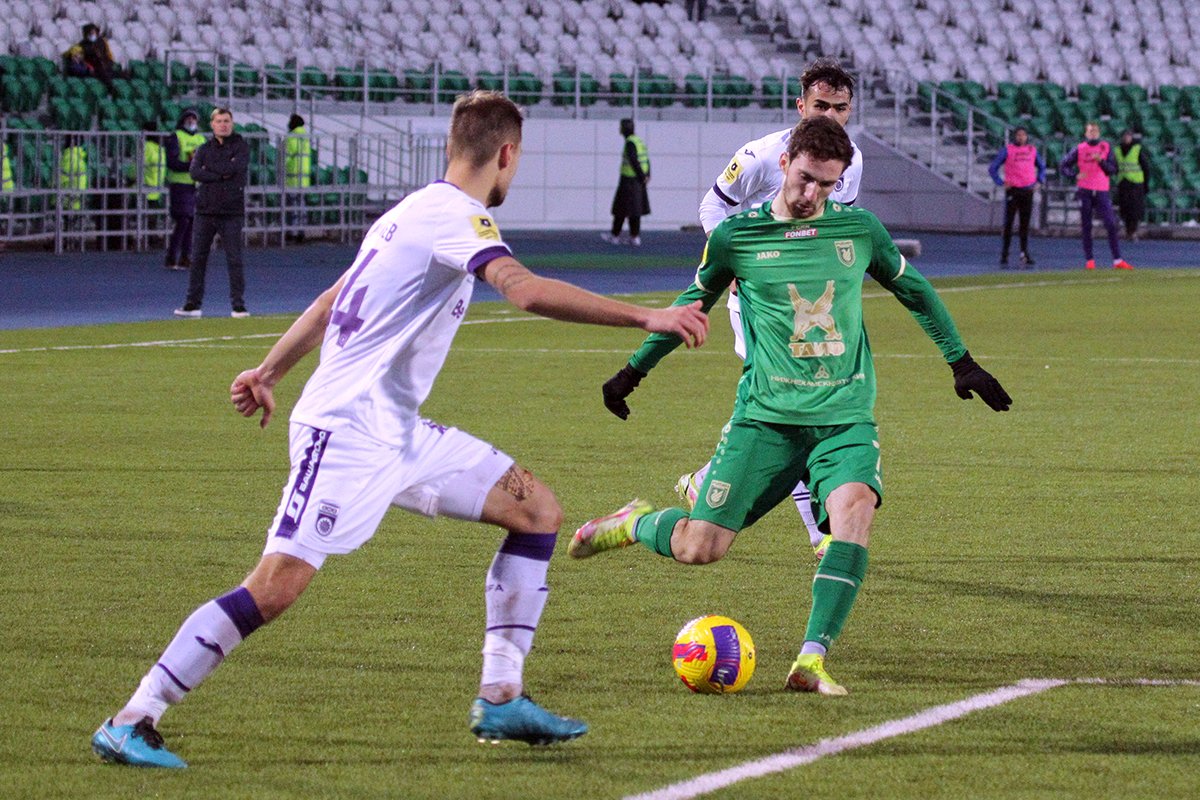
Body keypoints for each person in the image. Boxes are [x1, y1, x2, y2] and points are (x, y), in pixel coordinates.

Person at [92, 90, 707, 768]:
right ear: (506, 154)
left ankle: (501, 696)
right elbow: (524, 289)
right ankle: (133, 716)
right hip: (346, 430)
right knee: (276, 585)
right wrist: (647, 316)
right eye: (517, 158)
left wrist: (269, 371)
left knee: (536, 510)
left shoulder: (408, 211)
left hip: (399, 433)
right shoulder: (459, 218)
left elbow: (331, 300)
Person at [574, 116, 1010, 697]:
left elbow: (915, 290)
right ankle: (634, 522)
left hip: (844, 417)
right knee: (700, 548)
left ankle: (811, 660)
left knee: (855, 511)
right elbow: (691, 304)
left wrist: (961, 360)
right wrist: (634, 370)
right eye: (805, 178)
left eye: (827, 184)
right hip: (766, 419)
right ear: (784, 163)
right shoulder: (736, 238)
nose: (813, 195)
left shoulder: (858, 229)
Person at [678, 57, 863, 564]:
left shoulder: (851, 160)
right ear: (801, 105)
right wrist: (735, 261)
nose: (830, 115)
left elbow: (835, 226)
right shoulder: (761, 155)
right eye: (820, 105)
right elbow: (712, 205)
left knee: (796, 406)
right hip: (757, 301)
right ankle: (821, 534)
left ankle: (705, 481)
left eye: (840, 107)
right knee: (794, 404)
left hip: (812, 305)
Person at [174, 108, 251, 317]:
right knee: (198, 258)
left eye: (226, 121)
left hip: (231, 211)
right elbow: (194, 172)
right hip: (205, 211)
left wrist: (210, 170)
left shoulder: (241, 147)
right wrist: (221, 173)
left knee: (234, 259)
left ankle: (238, 305)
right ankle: (192, 304)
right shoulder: (204, 148)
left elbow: (235, 169)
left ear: (232, 124)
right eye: (219, 121)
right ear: (212, 124)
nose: (223, 125)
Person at [1059, 122, 1132, 271]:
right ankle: (1090, 260)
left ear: (1099, 133)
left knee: (1111, 224)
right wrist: (1074, 174)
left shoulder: (1105, 147)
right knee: (1086, 226)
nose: (1093, 133)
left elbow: (1113, 169)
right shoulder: (1079, 149)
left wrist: (1101, 162)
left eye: (1095, 131)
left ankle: (1117, 260)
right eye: (1090, 131)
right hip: (1085, 190)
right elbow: (1064, 165)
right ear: (1086, 134)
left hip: (1101, 190)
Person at [988, 126, 1044, 268]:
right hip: (1013, 190)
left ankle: (1024, 253)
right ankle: (1005, 254)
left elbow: (1042, 166)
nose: (1021, 137)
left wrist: (1040, 181)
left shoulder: (1032, 150)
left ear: (1027, 136)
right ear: (1015, 136)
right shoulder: (1008, 150)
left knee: (1025, 224)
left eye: (1023, 135)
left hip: (1028, 190)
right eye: (1018, 135)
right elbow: (993, 167)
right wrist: (1000, 182)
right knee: (1009, 223)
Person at [163, 109, 204, 271]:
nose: (192, 121)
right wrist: (191, 165)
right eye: (189, 118)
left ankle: (186, 257)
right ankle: (172, 256)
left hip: (195, 185)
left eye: (194, 118)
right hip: (179, 184)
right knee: (183, 220)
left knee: (191, 221)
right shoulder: (176, 137)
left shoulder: (200, 139)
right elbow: (172, 163)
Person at [603, 118, 650, 246]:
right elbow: (646, 159)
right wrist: (646, 175)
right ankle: (635, 237)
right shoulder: (639, 141)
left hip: (629, 180)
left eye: (621, 127)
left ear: (624, 129)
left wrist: (641, 176)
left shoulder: (630, 143)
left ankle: (615, 235)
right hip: (638, 181)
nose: (619, 129)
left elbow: (634, 160)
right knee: (635, 210)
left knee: (620, 209)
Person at [1114, 129, 1150, 240]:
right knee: (1124, 208)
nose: (1126, 138)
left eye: (1128, 136)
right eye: (1125, 136)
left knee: (1134, 208)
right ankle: (1128, 230)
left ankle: (1133, 231)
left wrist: (1145, 184)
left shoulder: (1137, 149)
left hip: (1135, 183)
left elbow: (1145, 167)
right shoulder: (1117, 150)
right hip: (1123, 182)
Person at [284, 113, 312, 242]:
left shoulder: (292, 137)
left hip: (293, 176)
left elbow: (287, 155)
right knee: (302, 204)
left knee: (293, 206)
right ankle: (301, 232)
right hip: (304, 177)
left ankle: (292, 232)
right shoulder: (306, 137)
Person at [77, 23, 116, 91]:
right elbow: (81, 59)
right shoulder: (82, 45)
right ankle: (111, 90)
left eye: (94, 33)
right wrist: (89, 66)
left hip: (105, 64)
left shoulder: (101, 41)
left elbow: (107, 54)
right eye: (91, 33)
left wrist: (108, 61)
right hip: (92, 66)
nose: (93, 35)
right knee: (104, 75)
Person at [58, 134, 88, 213]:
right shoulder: (79, 156)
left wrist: (52, 186)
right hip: (75, 195)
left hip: (66, 197)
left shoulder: (70, 156)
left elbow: (62, 176)